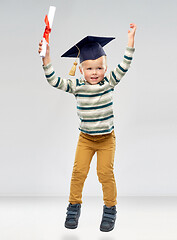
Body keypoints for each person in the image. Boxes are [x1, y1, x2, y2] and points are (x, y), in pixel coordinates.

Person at [38, 23, 136, 232]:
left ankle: (110, 209)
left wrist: (130, 42)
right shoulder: (77, 87)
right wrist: (46, 58)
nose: (95, 72)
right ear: (80, 69)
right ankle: (74, 207)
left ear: (105, 68)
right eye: (90, 68)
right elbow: (54, 80)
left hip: (106, 139)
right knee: (78, 172)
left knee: (105, 173)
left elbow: (125, 65)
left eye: (99, 68)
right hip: (86, 139)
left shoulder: (109, 82)